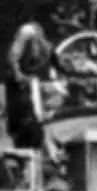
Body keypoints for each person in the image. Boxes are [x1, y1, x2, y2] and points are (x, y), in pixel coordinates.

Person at [5, 12, 73, 149]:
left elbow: (57, 62)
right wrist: (19, 75)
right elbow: (13, 56)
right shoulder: (29, 34)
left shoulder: (45, 45)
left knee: (36, 121)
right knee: (26, 121)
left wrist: (68, 72)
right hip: (24, 88)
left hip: (34, 88)